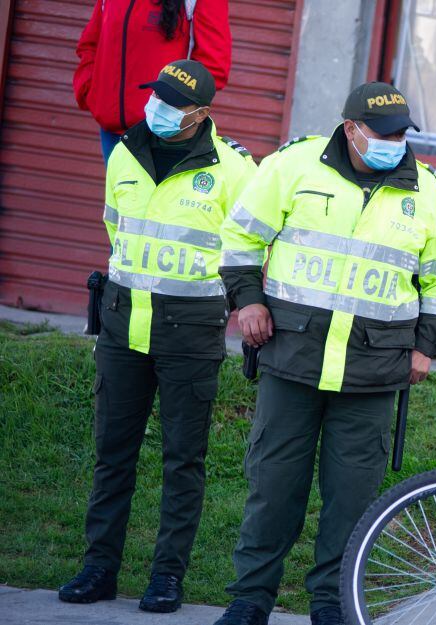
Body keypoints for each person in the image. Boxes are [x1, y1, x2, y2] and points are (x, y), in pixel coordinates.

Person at [212, 82, 436, 625]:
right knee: (273, 488)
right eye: (383, 134)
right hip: (292, 356)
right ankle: (250, 600)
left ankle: (332, 602)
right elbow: (240, 236)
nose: (394, 144)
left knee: (352, 500)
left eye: (401, 135)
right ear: (351, 129)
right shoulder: (294, 165)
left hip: (374, 370)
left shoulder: (428, 191)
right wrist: (248, 299)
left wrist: (426, 346)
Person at [58, 59, 256, 613]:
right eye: (156, 97)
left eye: (172, 103)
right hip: (123, 322)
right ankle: (99, 567)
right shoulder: (124, 152)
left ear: (201, 113)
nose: (158, 108)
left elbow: (248, 248)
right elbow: (115, 228)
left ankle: (167, 576)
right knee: (112, 454)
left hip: (190, 330)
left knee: (182, 459)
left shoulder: (235, 168)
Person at [74, 0, 231, 161]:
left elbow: (213, 67)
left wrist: (171, 116)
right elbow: (90, 44)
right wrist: (91, 93)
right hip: (111, 132)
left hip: (163, 136)